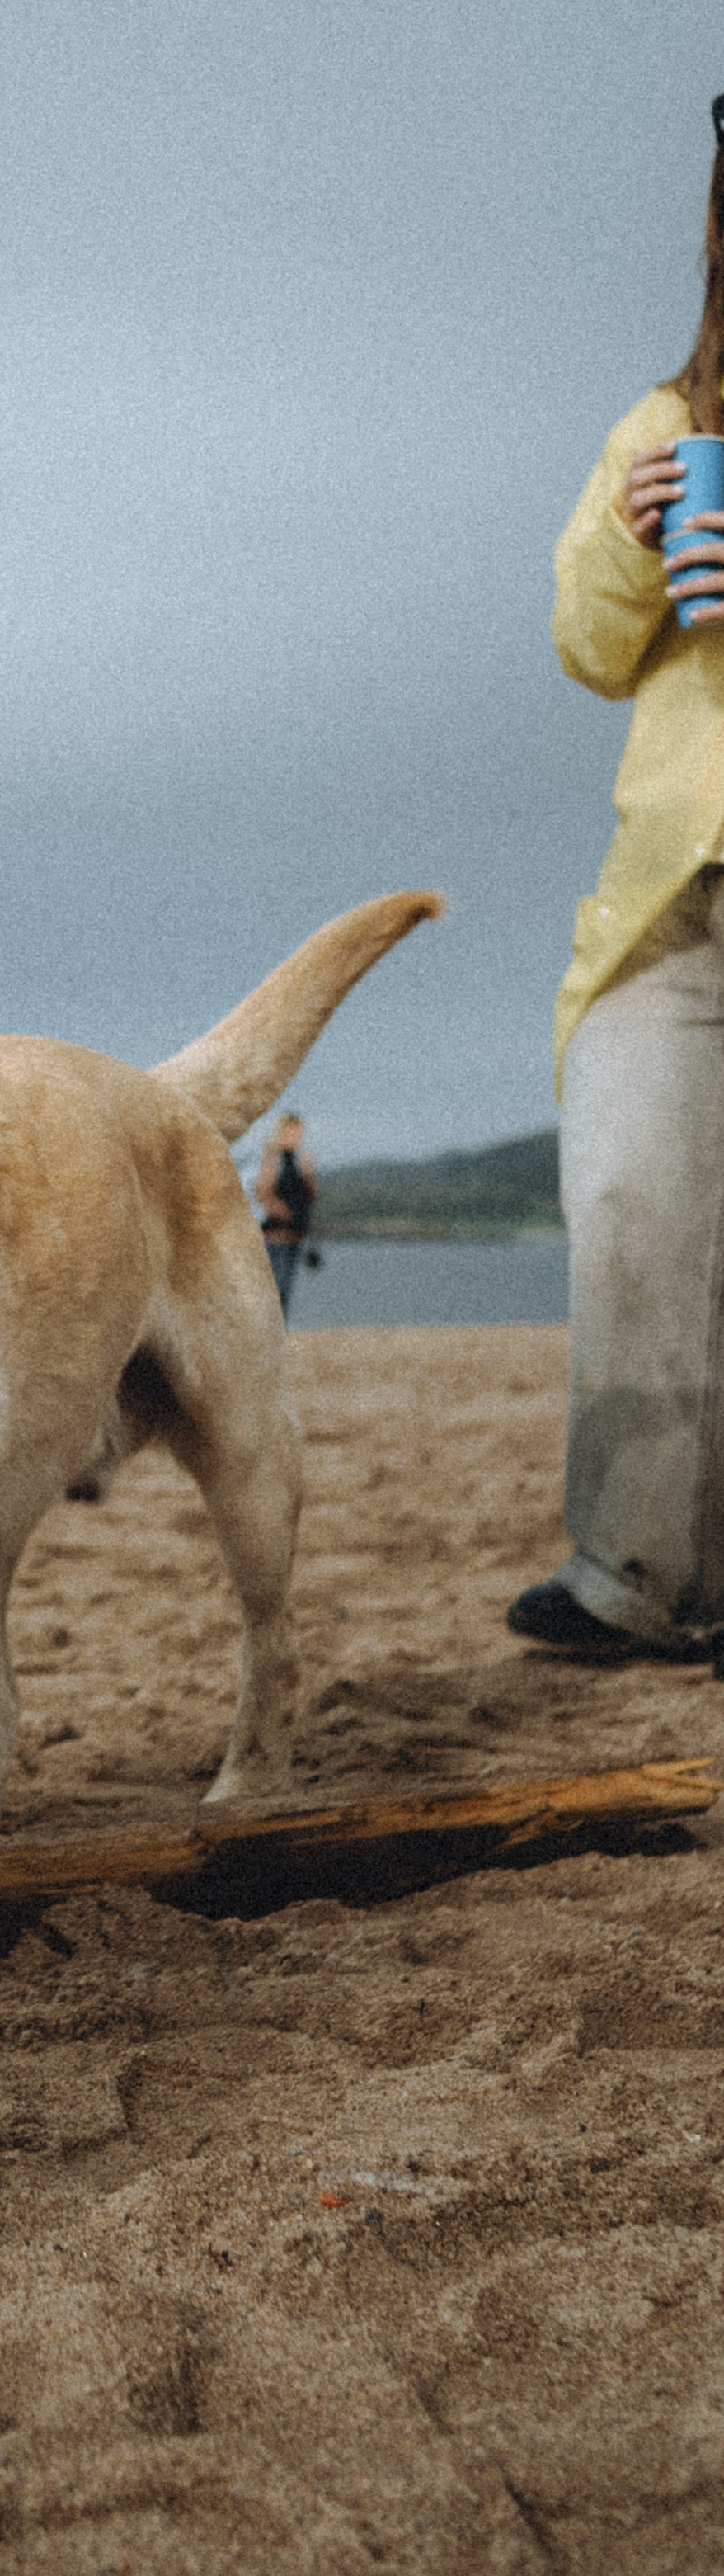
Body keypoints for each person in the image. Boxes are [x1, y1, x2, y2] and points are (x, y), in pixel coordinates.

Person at [508, 95, 724, 1659]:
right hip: (673, 897)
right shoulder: (667, 419)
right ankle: (636, 1573)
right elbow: (587, 649)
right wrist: (636, 543)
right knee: (631, 1192)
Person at [254, 1111, 317, 1314]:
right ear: (281, 1133)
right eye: (291, 1133)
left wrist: (308, 1173)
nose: (296, 1138)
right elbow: (262, 1192)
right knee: (275, 1291)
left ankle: (278, 1330)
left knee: (283, 1292)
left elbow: (312, 1197)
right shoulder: (273, 1159)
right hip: (275, 1235)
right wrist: (282, 1211)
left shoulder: (300, 1161)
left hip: (294, 1235)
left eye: (298, 1133)